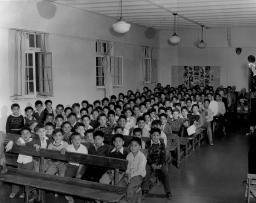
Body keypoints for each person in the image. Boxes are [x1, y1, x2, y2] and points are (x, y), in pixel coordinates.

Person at [6, 127, 39, 200]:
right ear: (21, 135)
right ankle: (14, 191)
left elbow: (35, 145)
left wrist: (36, 145)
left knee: (27, 177)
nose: (25, 135)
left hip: (29, 162)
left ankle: (26, 192)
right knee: (16, 176)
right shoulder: (20, 140)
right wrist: (12, 142)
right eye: (23, 133)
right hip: (20, 161)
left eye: (27, 133)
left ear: (30, 134)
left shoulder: (32, 141)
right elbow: (15, 141)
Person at [142, 128, 172, 200]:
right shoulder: (147, 143)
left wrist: (160, 164)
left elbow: (163, 155)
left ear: (159, 136)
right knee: (146, 172)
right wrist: (152, 164)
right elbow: (147, 155)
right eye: (154, 135)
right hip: (150, 162)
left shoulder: (162, 144)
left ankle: (168, 192)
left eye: (157, 135)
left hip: (160, 162)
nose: (155, 137)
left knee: (165, 173)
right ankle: (145, 190)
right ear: (151, 136)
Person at [119, 137, 147, 203]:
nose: (133, 147)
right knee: (120, 186)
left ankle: (130, 200)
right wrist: (128, 174)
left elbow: (140, 171)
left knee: (130, 189)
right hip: (129, 175)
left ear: (139, 147)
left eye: (135, 145)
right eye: (131, 145)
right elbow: (127, 168)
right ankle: (134, 192)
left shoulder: (142, 157)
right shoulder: (129, 155)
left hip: (138, 176)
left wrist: (130, 176)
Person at [62, 133, 88, 203]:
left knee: (78, 178)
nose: (77, 141)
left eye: (79, 139)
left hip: (81, 166)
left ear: (81, 140)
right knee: (67, 178)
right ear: (71, 141)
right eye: (75, 139)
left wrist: (79, 172)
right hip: (71, 165)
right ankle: (68, 194)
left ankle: (77, 193)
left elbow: (83, 162)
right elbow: (64, 149)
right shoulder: (69, 147)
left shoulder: (84, 148)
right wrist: (63, 149)